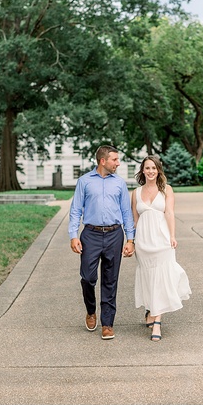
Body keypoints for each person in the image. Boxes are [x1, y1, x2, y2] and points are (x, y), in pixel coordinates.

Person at [69, 145, 136, 340]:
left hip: (115, 235)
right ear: (103, 161)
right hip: (91, 234)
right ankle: (91, 311)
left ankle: (108, 323)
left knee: (110, 280)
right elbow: (75, 210)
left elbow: (126, 213)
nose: (118, 163)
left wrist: (130, 239)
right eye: (115, 159)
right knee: (88, 278)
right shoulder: (84, 181)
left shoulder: (120, 184)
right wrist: (73, 235)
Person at [131, 155, 191, 341]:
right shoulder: (135, 192)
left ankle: (157, 321)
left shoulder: (166, 190)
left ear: (159, 170)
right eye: (147, 168)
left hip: (162, 240)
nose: (150, 171)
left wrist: (172, 236)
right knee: (149, 278)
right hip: (144, 242)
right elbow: (135, 220)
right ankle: (151, 310)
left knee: (162, 278)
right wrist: (132, 241)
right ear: (142, 170)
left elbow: (170, 213)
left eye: (153, 168)